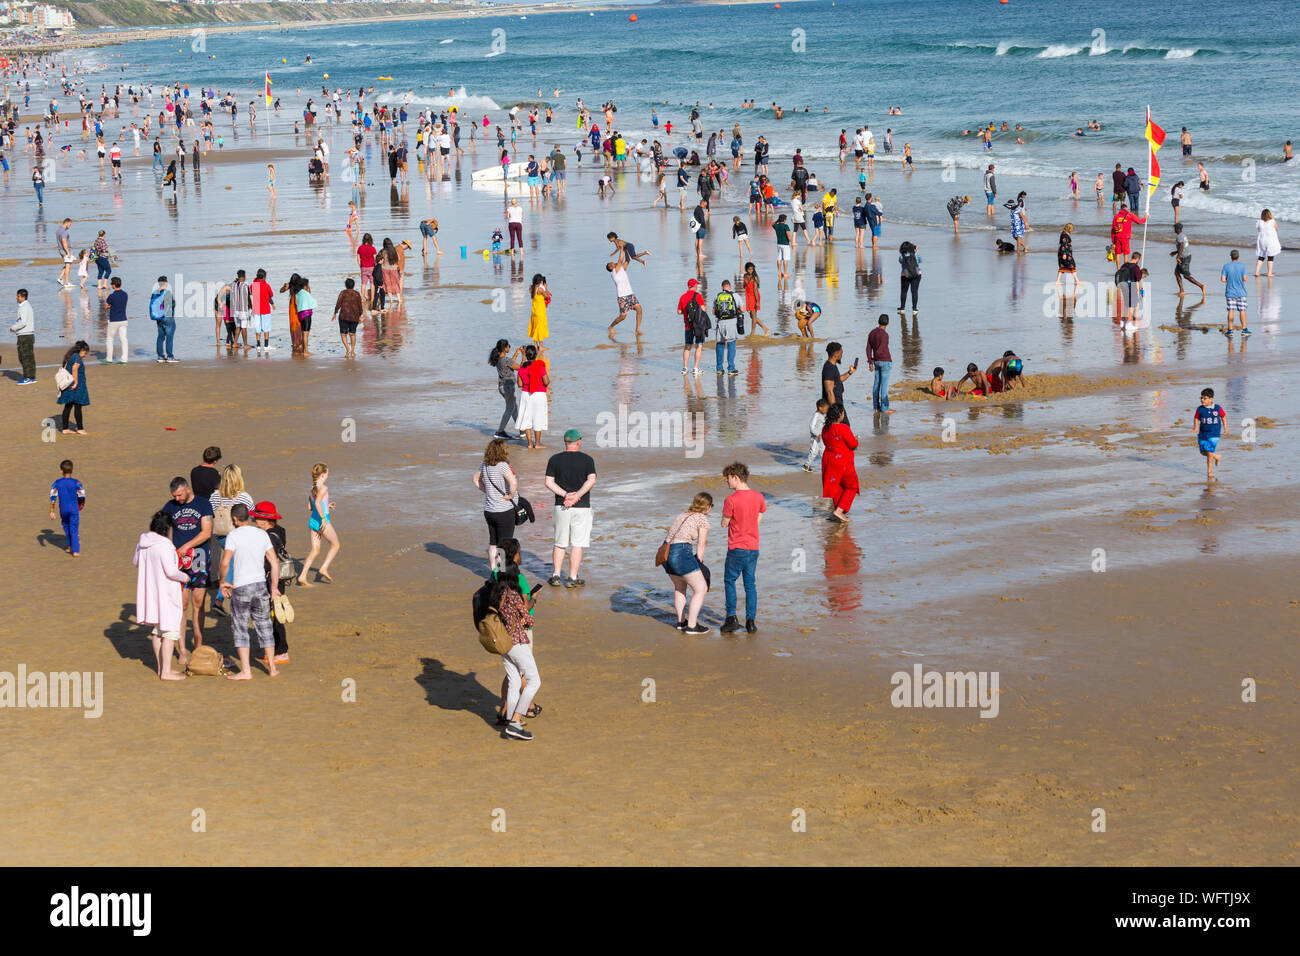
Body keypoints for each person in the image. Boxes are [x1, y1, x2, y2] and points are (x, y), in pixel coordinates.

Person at [219, 503, 281, 679]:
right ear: (249, 516)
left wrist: (223, 582)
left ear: (234, 519)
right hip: (260, 584)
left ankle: (246, 671)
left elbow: (225, 562)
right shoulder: (261, 534)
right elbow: (274, 562)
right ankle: (272, 668)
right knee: (265, 626)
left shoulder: (233, 535)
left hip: (241, 586)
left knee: (240, 627)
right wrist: (274, 588)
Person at [134, 510, 191, 680]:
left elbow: (136, 562)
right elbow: (171, 571)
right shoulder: (165, 545)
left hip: (150, 592)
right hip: (166, 593)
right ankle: (166, 672)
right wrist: (186, 577)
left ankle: (161, 669)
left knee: (158, 631)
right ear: (167, 528)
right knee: (169, 632)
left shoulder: (143, 542)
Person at [490, 556, 541, 741]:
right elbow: (528, 618)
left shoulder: (497, 593)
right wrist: (533, 601)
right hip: (518, 642)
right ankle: (516, 720)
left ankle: (512, 722)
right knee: (534, 681)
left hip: (503, 643)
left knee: (514, 681)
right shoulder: (512, 595)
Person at [164, 476, 214, 651]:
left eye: (178, 495)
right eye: (174, 496)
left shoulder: (203, 504)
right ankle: (183, 648)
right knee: (182, 604)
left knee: (198, 603)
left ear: (187, 489)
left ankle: (199, 645)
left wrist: (187, 545)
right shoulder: (170, 506)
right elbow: (163, 529)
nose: (176, 499)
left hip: (199, 557)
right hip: (179, 561)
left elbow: (207, 532)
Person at [543, 429, 596, 588]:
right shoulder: (588, 460)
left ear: (565, 442)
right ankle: (572, 578)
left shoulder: (554, 459)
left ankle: (556, 575)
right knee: (577, 543)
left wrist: (566, 495)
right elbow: (591, 481)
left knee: (560, 542)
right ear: (578, 442)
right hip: (581, 507)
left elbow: (548, 482)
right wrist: (577, 496)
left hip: (561, 505)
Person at [719, 461, 764, 634]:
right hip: (753, 547)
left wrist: (725, 520)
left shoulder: (731, 499)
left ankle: (731, 617)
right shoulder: (758, 496)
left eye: (728, 478)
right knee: (750, 584)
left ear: (736, 478)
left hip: (737, 547)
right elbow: (761, 513)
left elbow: (724, 523)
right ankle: (751, 621)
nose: (726, 482)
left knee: (730, 580)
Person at [662, 493, 714, 634]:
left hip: (666, 553)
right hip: (682, 551)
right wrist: (700, 563)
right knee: (701, 589)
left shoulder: (682, 515)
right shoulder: (702, 519)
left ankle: (681, 622)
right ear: (708, 507)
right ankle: (692, 626)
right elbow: (701, 544)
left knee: (680, 587)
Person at [250, 501, 292, 665]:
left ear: (265, 520)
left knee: (275, 616)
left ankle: (282, 651)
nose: (255, 520)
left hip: (271, 580)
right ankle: (273, 649)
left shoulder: (269, 537)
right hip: (277, 579)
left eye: (257, 518)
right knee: (271, 615)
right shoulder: (278, 531)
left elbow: (270, 561)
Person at [473, 437, 519, 572]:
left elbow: (475, 479)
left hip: (489, 510)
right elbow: (513, 482)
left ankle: (493, 569)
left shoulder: (484, 465)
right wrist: (510, 495)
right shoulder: (503, 465)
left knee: (493, 542)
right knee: (505, 544)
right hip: (504, 510)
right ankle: (502, 570)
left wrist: (486, 491)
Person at [298, 462, 340, 585]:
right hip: (322, 522)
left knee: (315, 550)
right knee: (335, 545)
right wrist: (323, 518)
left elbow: (309, 507)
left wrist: (327, 505)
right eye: (327, 474)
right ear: (322, 475)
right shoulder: (324, 488)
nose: (327, 476)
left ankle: (302, 576)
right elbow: (316, 504)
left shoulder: (312, 488)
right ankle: (324, 568)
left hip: (313, 522)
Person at [820, 403, 859, 522]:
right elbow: (853, 444)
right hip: (842, 461)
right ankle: (839, 510)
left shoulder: (825, 428)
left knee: (836, 486)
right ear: (840, 414)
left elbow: (826, 443)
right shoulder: (843, 428)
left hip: (828, 459)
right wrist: (856, 439)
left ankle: (838, 512)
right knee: (852, 486)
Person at [49, 459, 85, 556]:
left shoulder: (57, 483)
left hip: (63, 509)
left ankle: (70, 547)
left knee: (66, 527)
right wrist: (80, 505)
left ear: (61, 471)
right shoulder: (76, 483)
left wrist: (52, 511)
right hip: (73, 508)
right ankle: (76, 551)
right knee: (74, 528)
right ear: (72, 470)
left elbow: (53, 497)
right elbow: (82, 495)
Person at [516, 345, 550, 449]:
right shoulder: (540, 366)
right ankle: (538, 444)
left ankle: (530, 443)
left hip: (526, 395)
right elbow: (546, 381)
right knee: (538, 418)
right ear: (535, 355)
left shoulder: (522, 367)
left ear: (526, 355)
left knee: (526, 418)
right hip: (539, 395)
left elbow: (519, 384)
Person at [489, 338, 524, 438]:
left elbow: (510, 365)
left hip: (502, 387)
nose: (510, 348)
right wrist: (523, 355)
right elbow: (521, 369)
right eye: (509, 346)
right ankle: (500, 431)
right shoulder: (506, 360)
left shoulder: (500, 359)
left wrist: (517, 353)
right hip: (509, 387)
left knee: (514, 408)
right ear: (505, 348)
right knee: (510, 409)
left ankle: (522, 431)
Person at [1193, 387, 1228, 480]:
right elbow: (1196, 418)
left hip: (1214, 434)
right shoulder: (1200, 409)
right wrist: (1196, 427)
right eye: (1201, 398)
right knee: (1203, 452)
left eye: (1205, 398)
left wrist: (1225, 428)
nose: (1202, 400)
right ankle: (1217, 456)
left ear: (1211, 399)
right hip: (1203, 434)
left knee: (1209, 452)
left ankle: (1209, 472)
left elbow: (1223, 417)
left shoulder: (1218, 408)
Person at [56, 340, 91, 434]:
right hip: (76, 387)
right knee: (78, 407)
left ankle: (65, 429)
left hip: (69, 386)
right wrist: (75, 383)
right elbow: (74, 369)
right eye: (85, 352)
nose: (85, 355)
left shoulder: (71, 356)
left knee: (68, 406)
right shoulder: (77, 358)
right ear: (82, 350)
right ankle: (80, 429)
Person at [606, 249, 643, 335]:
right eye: (610, 264)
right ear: (611, 268)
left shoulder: (621, 269)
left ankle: (637, 330)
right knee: (623, 317)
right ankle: (611, 326)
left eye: (612, 262)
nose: (612, 263)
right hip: (622, 297)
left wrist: (626, 250)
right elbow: (620, 260)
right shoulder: (614, 272)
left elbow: (627, 260)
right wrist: (622, 248)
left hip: (630, 294)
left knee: (639, 309)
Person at [677, 277, 708, 374]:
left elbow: (679, 311)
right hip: (698, 325)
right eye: (696, 285)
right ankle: (695, 368)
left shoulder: (682, 297)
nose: (697, 286)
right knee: (699, 346)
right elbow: (703, 309)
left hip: (688, 325)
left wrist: (687, 313)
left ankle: (685, 368)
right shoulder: (698, 296)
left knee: (687, 346)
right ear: (694, 286)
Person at [866, 314, 893, 414]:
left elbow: (868, 348)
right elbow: (881, 349)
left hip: (876, 362)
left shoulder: (872, 333)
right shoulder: (885, 335)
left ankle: (876, 407)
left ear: (878, 321)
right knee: (884, 386)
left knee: (876, 384)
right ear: (888, 323)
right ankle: (885, 408)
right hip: (885, 361)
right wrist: (874, 358)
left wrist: (870, 361)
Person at [1220, 249, 1250, 336]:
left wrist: (1229, 280)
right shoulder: (1242, 266)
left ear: (1231, 257)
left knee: (1231, 310)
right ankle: (1244, 329)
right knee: (1242, 311)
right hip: (1241, 292)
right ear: (1238, 256)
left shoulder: (1226, 266)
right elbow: (1245, 279)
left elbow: (1223, 279)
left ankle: (1230, 330)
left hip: (1230, 292)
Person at [1170, 223, 1205, 297]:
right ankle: (1182, 291)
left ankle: (1201, 286)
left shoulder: (1179, 236)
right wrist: (1175, 252)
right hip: (1184, 256)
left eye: (1175, 228)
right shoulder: (1182, 235)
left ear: (1178, 229)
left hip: (1184, 258)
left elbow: (1182, 246)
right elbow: (1181, 247)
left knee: (1186, 276)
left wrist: (1177, 257)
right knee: (1176, 273)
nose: (1174, 229)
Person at [332, 277, 363, 359]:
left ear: (346, 285)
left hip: (344, 315)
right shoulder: (357, 293)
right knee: (352, 334)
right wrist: (360, 315)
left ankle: (348, 349)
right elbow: (360, 306)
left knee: (343, 334)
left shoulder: (343, 293)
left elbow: (338, 303)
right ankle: (352, 351)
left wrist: (335, 312)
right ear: (353, 285)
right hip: (354, 316)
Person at [11, 288, 37, 385]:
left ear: (23, 297)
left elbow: (23, 322)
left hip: (25, 335)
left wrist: (13, 328)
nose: (16, 298)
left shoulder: (24, 307)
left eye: (18, 296)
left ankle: (28, 377)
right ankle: (31, 377)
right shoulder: (27, 306)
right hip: (28, 334)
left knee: (24, 357)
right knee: (29, 357)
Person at [1114, 252, 1144, 326]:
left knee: (1127, 304)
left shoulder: (1124, 264)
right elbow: (1138, 279)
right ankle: (1130, 323)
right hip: (1132, 286)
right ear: (1138, 259)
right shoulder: (1136, 268)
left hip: (1123, 286)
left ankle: (1124, 321)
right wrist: (1140, 272)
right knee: (1132, 305)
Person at [741, 262, 769, 335]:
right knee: (752, 316)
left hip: (754, 296)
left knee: (753, 315)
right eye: (749, 269)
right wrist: (746, 281)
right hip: (748, 297)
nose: (751, 271)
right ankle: (765, 329)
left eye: (752, 269)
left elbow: (755, 290)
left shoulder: (754, 277)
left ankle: (752, 332)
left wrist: (757, 301)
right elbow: (744, 286)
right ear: (746, 269)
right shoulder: (745, 276)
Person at [803, 398, 830, 472]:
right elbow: (811, 426)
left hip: (822, 437)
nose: (826, 411)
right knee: (814, 452)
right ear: (820, 408)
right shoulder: (816, 415)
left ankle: (826, 466)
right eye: (826, 409)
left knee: (823, 451)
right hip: (815, 438)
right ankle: (806, 465)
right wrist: (817, 434)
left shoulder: (821, 415)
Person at [1056, 224, 1078, 311]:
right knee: (1072, 265)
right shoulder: (1064, 235)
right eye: (1072, 229)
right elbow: (1064, 244)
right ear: (1069, 229)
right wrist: (1064, 254)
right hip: (1065, 253)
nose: (1072, 230)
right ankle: (1076, 280)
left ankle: (1058, 280)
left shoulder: (1064, 233)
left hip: (1065, 253)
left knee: (1063, 266)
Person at [898, 241, 922, 313]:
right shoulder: (916, 254)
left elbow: (900, 261)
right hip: (916, 274)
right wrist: (917, 251)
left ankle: (902, 308)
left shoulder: (902, 256)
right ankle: (914, 309)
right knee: (914, 291)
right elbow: (921, 260)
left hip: (905, 275)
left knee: (904, 291)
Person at [527, 273, 550, 349]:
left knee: (535, 327)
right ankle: (541, 346)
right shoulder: (540, 289)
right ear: (540, 281)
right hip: (540, 311)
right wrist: (545, 287)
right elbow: (547, 296)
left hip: (534, 311)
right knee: (540, 328)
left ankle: (535, 345)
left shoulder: (531, 288)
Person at [1255, 209, 1280, 277]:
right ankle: (1269, 273)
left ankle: (1257, 272)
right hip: (1270, 241)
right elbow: (1276, 228)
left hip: (1262, 240)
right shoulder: (1272, 221)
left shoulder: (1259, 222)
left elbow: (1258, 229)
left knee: (1261, 256)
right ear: (1270, 214)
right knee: (1270, 257)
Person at [772, 213, 792, 279]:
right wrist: (793, 242)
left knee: (779, 258)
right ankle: (785, 273)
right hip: (785, 244)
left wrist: (777, 221)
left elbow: (772, 224)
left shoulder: (776, 226)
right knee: (785, 259)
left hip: (779, 244)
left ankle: (780, 273)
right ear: (784, 220)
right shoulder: (786, 226)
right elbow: (788, 236)